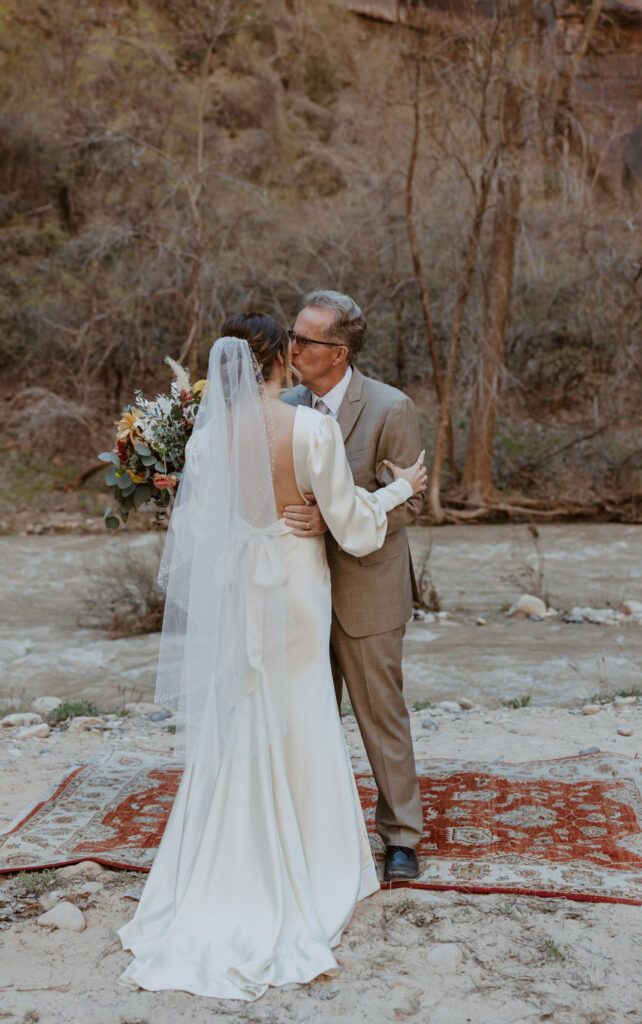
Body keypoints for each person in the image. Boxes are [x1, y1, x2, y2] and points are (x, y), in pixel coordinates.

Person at [117, 314, 427, 1001]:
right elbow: (348, 523)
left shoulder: (207, 440)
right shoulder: (309, 429)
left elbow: (197, 534)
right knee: (302, 711)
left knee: (245, 711)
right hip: (292, 589)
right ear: (278, 361)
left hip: (237, 590)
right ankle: (313, 862)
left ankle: (227, 864)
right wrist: (402, 487)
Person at [281, 290, 424, 882]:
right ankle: (308, 831)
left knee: (380, 715)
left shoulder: (391, 408)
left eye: (304, 340)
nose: (291, 347)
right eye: (293, 336)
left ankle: (401, 838)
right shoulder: (283, 405)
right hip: (300, 590)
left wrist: (334, 520)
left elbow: (410, 506)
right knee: (305, 715)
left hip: (369, 588)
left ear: (338, 353)